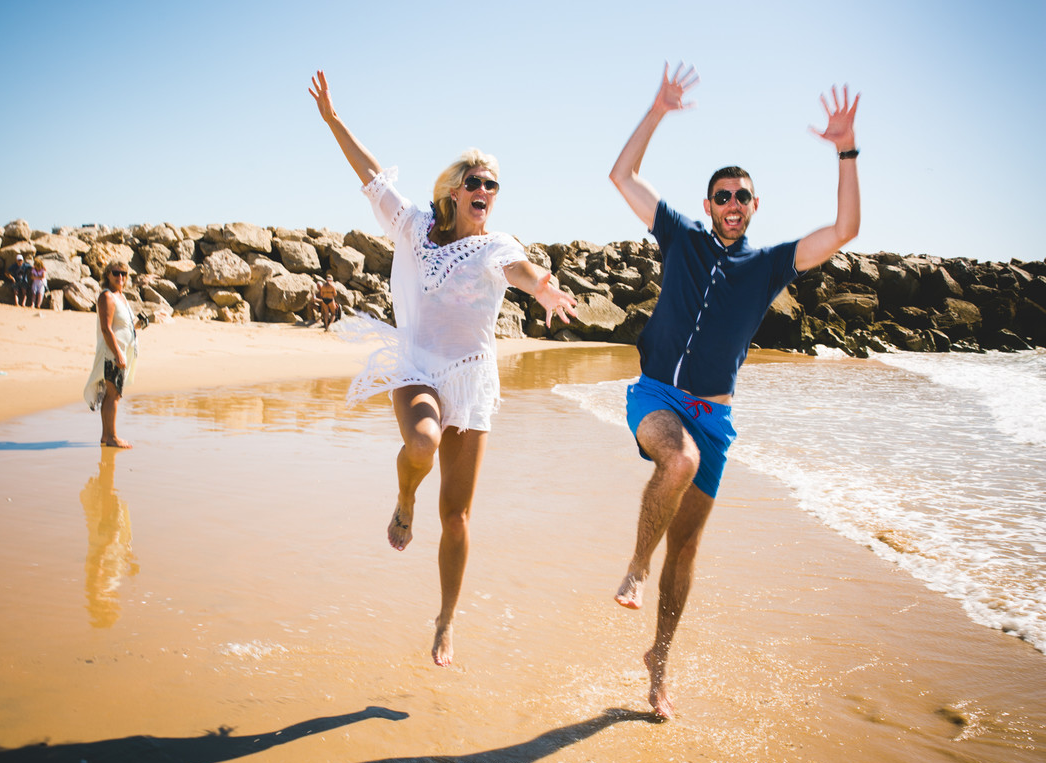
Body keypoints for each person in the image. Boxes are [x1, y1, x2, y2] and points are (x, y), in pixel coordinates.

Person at [607, 63, 860, 718]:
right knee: (677, 461)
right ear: (708, 204)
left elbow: (844, 231)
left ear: (753, 206)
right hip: (657, 397)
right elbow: (622, 176)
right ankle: (635, 567)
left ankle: (659, 664)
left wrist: (845, 151)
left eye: (742, 196)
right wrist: (657, 110)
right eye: (722, 196)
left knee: (687, 549)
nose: (732, 204)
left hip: (714, 420)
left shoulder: (769, 264)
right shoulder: (680, 237)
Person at [309, 70, 577, 667]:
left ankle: (446, 620)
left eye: (493, 184)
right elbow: (372, 176)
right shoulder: (412, 228)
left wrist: (544, 288)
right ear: (454, 191)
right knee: (423, 439)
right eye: (475, 182)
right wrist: (333, 121)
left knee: (456, 518)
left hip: (471, 378)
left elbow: (523, 271)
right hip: (417, 366)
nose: (485, 190)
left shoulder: (495, 245)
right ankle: (405, 499)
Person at [83, 261, 142, 449]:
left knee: (111, 394)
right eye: (116, 273)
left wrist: (141, 324)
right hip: (112, 353)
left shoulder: (121, 297)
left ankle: (105, 435)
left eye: (124, 273)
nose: (120, 277)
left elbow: (125, 326)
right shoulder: (107, 297)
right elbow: (106, 329)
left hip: (120, 352)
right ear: (107, 274)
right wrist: (117, 353)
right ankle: (113, 437)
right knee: (114, 394)